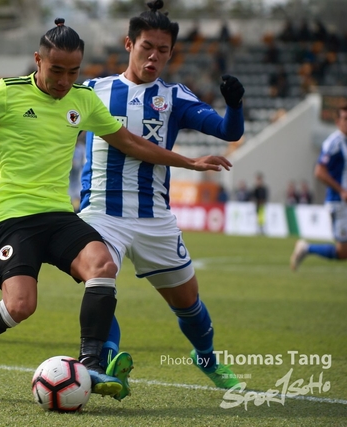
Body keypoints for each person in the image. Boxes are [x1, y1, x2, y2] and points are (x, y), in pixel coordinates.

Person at [0, 18, 231, 400]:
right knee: (19, 307)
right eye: (56, 70)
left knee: (102, 266)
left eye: (73, 72)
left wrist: (188, 162)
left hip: (59, 214)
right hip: (14, 217)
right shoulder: (7, 93)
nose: (64, 81)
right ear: (38, 61)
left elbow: (130, 143)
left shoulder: (83, 100)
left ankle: (91, 364)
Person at [79, 0, 244, 394]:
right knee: (100, 279)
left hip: (153, 216)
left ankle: (206, 357)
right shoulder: (92, 91)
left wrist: (235, 104)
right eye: (147, 47)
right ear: (129, 44)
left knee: (188, 302)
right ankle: (104, 363)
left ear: (171, 53)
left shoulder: (174, 97)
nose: (154, 56)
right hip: (100, 212)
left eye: (163, 50)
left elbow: (228, 131)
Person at [290, 105, 347, 270]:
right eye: (345, 119)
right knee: (343, 252)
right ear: (337, 122)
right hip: (339, 203)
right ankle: (306, 248)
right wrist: (341, 190)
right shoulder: (333, 143)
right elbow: (319, 171)